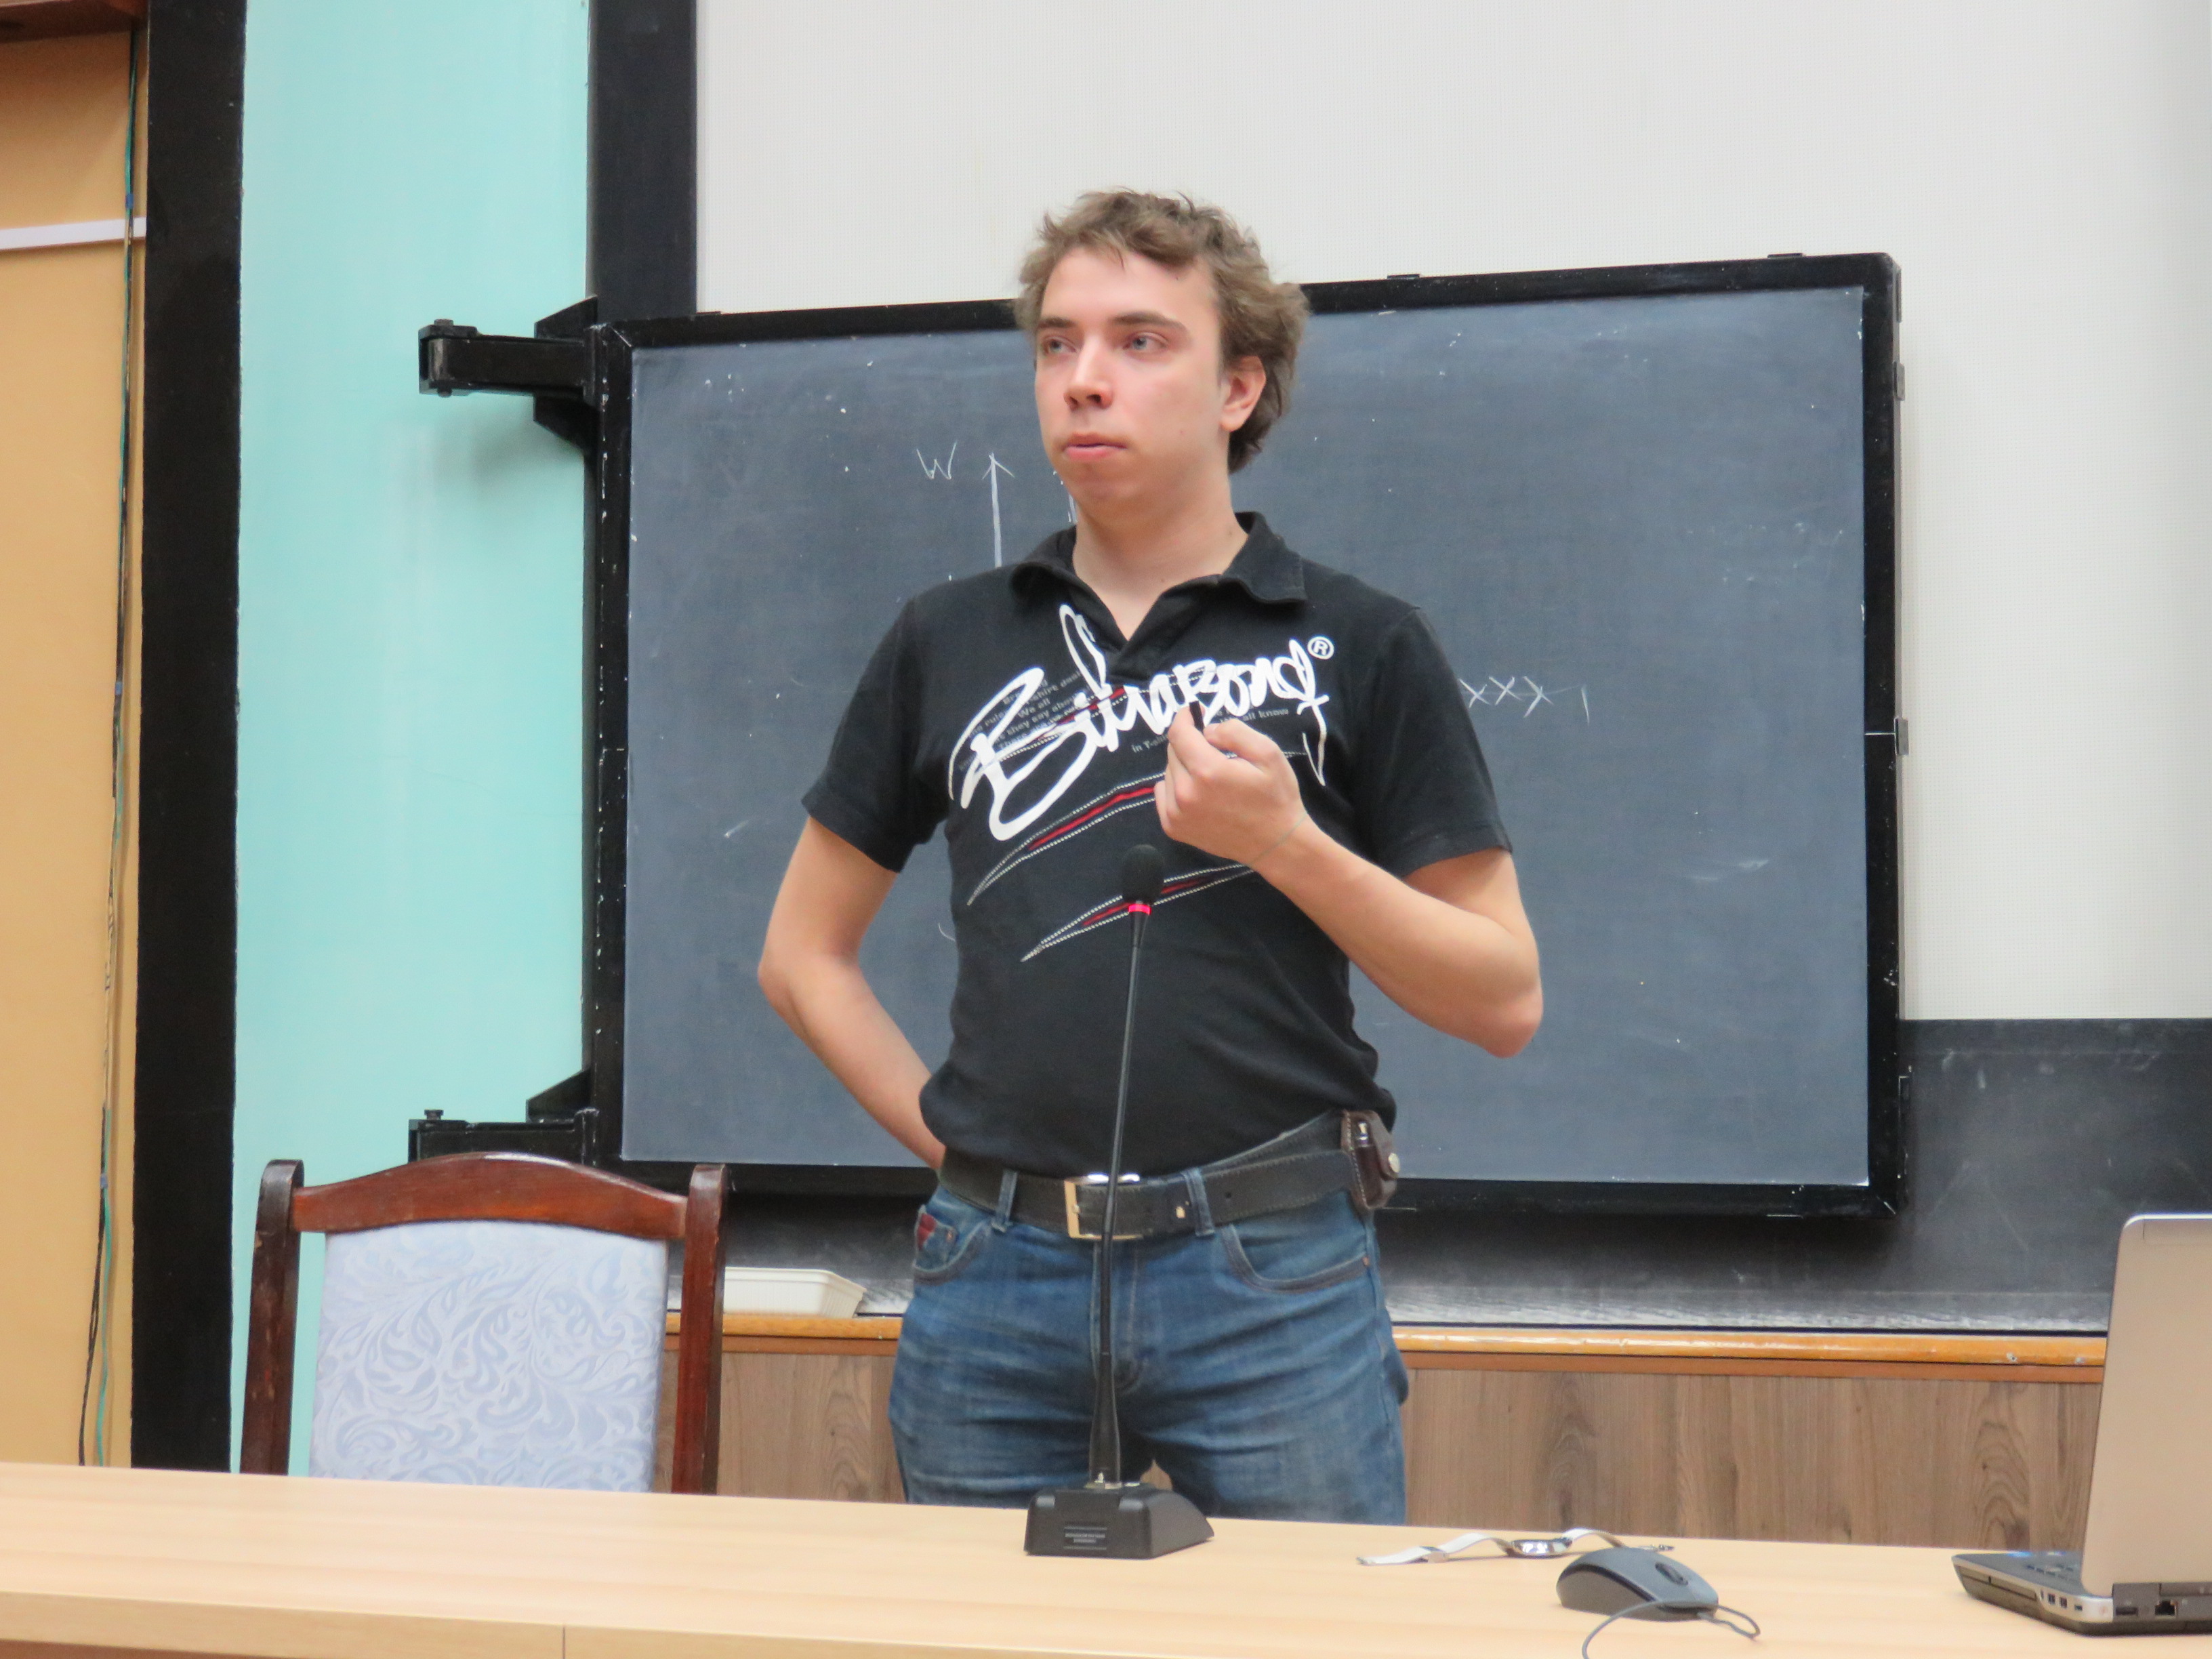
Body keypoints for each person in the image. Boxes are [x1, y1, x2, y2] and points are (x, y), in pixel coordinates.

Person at [757, 190, 1541, 1522]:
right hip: (993, 1280)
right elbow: (802, 957)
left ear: (1240, 386)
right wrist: (965, 1163)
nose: (1085, 379)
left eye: (1139, 342)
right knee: (980, 1625)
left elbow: (1502, 998)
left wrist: (1286, 843)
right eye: (1057, 345)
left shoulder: (1359, 640)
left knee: (1309, 1626)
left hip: (1268, 1274)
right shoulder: (946, 639)